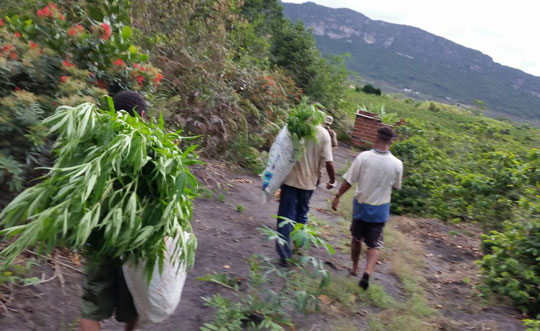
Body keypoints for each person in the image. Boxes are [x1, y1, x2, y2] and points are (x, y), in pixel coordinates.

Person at [79, 90, 147, 331]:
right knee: (135, 302)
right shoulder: (151, 149)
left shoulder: (93, 144)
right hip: (133, 238)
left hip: (97, 233)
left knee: (92, 306)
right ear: (141, 115)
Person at [331, 127, 402, 290]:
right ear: (391, 142)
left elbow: (349, 180)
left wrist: (337, 196)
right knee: (374, 244)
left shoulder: (363, 157)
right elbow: (397, 186)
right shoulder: (397, 164)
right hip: (380, 209)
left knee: (356, 238)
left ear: (375, 139)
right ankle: (368, 271)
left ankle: (355, 268)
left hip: (362, 206)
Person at [276, 124, 336, 266]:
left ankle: (285, 256)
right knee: (302, 213)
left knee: (285, 217)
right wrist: (333, 180)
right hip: (309, 182)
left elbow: (280, 152)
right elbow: (329, 163)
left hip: (290, 180)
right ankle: (298, 245)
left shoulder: (295, 128)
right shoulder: (324, 134)